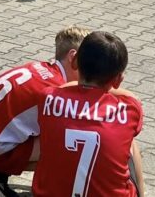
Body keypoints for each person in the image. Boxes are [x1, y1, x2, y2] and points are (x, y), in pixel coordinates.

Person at [0, 26, 90, 197]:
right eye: (91, 61)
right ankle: (42, 189)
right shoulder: (57, 90)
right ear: (73, 57)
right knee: (72, 146)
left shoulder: (39, 67)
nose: (94, 69)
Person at [32, 31, 145, 197]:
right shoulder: (130, 110)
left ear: (75, 61)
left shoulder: (48, 98)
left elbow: (62, 88)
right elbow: (133, 98)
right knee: (130, 142)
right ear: (118, 80)